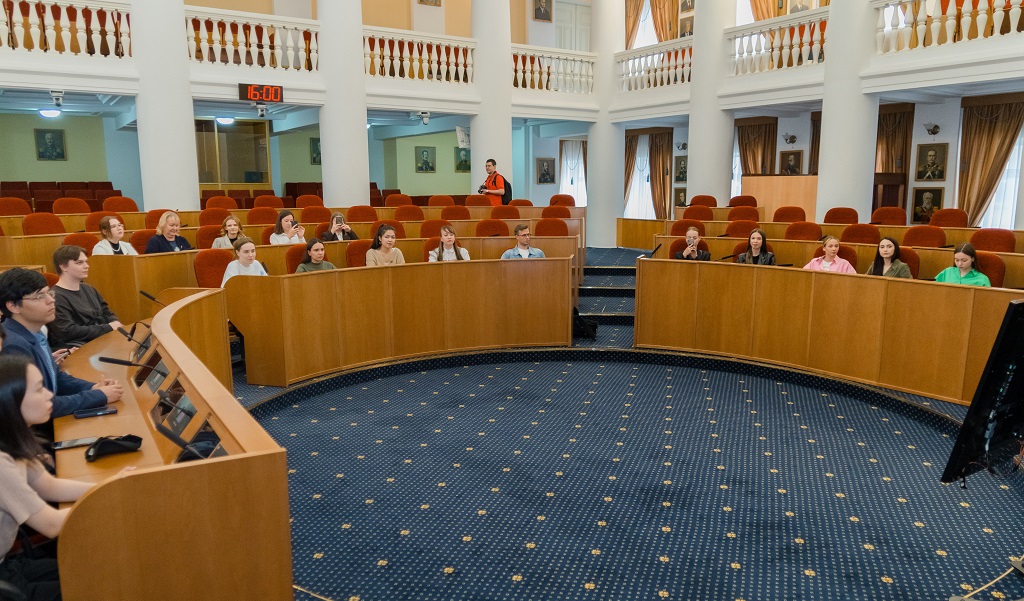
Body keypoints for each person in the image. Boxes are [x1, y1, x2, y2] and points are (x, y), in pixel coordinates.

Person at [0, 354, 131, 601]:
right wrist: (107, 497)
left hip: (8, 565)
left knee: (100, 569)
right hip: (5, 580)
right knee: (103, 586)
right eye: (39, 389)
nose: (49, 395)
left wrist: (109, 485)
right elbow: (52, 525)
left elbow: (49, 486)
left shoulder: (12, 440)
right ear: (11, 402)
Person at [0, 268, 121, 419]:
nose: (51, 300)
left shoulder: (35, 333)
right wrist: (98, 396)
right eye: (39, 296)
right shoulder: (12, 345)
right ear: (13, 306)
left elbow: (56, 377)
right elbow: (40, 404)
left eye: (49, 293)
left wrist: (92, 387)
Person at [49, 245, 123, 349]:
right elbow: (67, 331)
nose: (86, 266)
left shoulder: (88, 288)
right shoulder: (55, 297)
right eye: (79, 263)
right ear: (63, 267)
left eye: (86, 262)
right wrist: (108, 327)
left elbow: (106, 312)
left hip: (103, 341)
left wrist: (115, 322)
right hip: (80, 348)